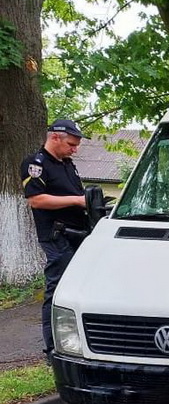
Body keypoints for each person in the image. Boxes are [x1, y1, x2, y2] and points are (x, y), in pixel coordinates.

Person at [21, 119, 89, 357]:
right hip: (56, 236)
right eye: (71, 144)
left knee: (80, 288)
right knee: (58, 289)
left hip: (78, 234)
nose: (75, 150)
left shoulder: (68, 165)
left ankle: (78, 341)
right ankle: (53, 348)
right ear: (55, 137)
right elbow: (36, 200)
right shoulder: (36, 163)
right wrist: (77, 201)